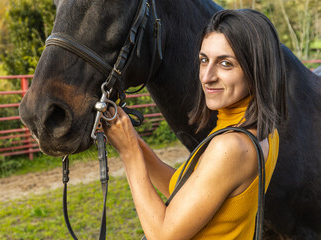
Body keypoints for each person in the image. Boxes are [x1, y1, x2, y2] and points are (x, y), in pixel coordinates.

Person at [104, 9, 286, 240]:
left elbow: (162, 235)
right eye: (204, 60)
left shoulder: (230, 147)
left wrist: (130, 154)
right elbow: (183, 191)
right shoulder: (264, 131)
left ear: (256, 69)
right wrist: (133, 140)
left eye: (226, 63)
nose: (207, 76)